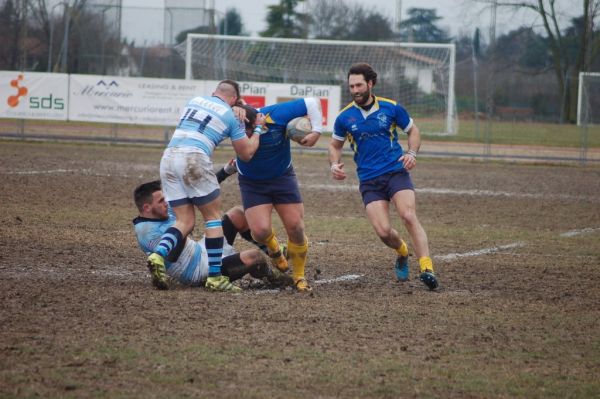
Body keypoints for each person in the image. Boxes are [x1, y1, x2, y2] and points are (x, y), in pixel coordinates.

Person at [146, 80, 265, 293]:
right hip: (194, 157)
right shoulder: (231, 116)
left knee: (185, 220)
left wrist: (236, 104)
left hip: (169, 157)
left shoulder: (195, 100)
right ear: (235, 100)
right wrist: (257, 129)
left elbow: (216, 108)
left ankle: (158, 254)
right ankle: (215, 277)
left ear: (214, 92)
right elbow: (246, 154)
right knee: (212, 218)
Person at [328, 62, 439, 290]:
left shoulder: (391, 108)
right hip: (369, 179)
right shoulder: (344, 117)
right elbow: (334, 145)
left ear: (371, 83)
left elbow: (413, 131)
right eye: (351, 86)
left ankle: (427, 267)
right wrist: (334, 164)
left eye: (359, 85)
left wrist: (411, 153)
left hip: (395, 171)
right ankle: (402, 250)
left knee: (408, 215)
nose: (355, 90)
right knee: (383, 232)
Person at [234, 97, 323, 292]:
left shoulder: (278, 114)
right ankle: (275, 250)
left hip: (282, 177)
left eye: (247, 132)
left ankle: (299, 276)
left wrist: (317, 131)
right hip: (252, 182)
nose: (243, 137)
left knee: (296, 227)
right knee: (259, 232)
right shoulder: (234, 125)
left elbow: (311, 102)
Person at [133, 180, 292, 290]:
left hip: (201, 250)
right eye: (161, 201)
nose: (166, 203)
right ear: (147, 208)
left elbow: (196, 194)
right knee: (254, 258)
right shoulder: (146, 233)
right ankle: (274, 277)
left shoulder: (162, 212)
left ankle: (274, 251)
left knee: (237, 214)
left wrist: (226, 171)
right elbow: (172, 256)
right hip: (198, 272)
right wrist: (184, 226)